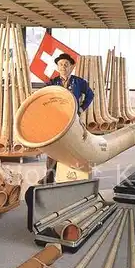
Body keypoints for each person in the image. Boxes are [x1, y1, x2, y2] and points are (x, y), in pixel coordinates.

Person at [38, 53, 94, 184]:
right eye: (61, 64)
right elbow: (43, 97)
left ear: (71, 67)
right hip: (56, 120)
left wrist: (81, 108)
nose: (63, 67)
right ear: (57, 67)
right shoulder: (52, 83)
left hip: (73, 119)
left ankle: (74, 176)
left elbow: (90, 95)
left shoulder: (79, 82)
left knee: (74, 146)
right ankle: (49, 176)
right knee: (53, 147)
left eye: (66, 64)